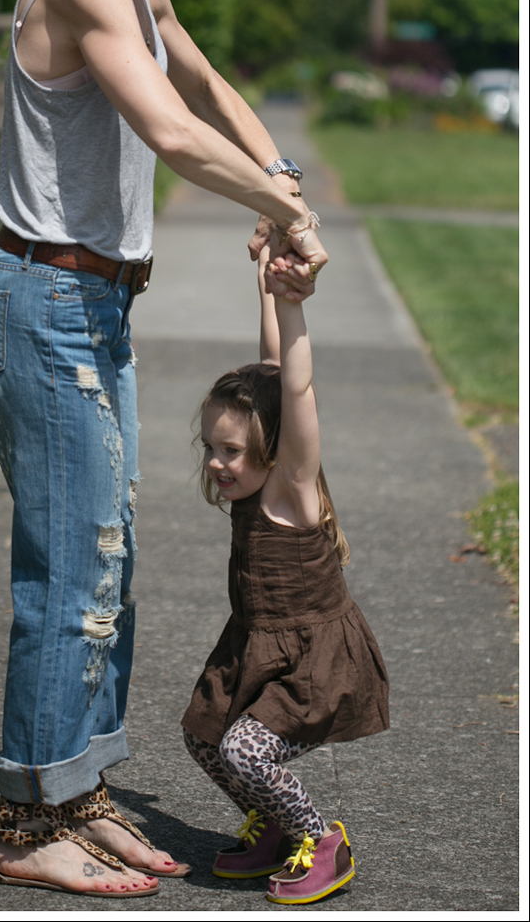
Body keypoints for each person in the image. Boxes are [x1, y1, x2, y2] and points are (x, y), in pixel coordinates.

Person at [0, 0, 329, 898]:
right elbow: (171, 132)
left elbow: (211, 89)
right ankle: (26, 826)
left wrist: (282, 179)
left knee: (107, 572)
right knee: (71, 571)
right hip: (45, 298)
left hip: (98, 303)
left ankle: (78, 790)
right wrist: (280, 204)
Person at [181, 244, 389, 905]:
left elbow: (293, 387)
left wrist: (295, 304)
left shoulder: (291, 489)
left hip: (311, 658)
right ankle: (275, 827)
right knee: (204, 734)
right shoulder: (256, 481)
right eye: (209, 447)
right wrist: (267, 277)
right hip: (256, 642)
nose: (217, 462)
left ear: (275, 447)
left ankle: (321, 838)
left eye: (232, 450)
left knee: (245, 752)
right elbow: (270, 368)